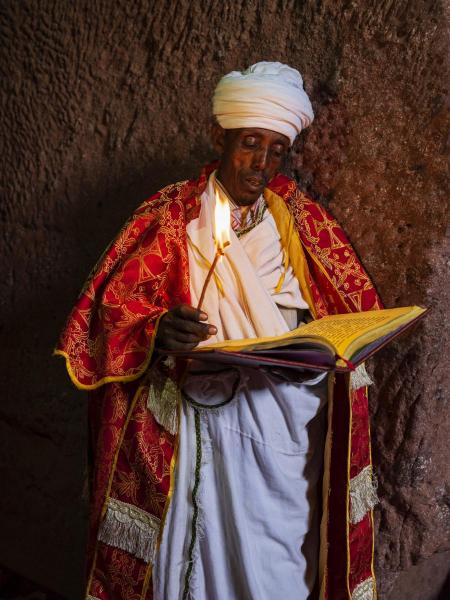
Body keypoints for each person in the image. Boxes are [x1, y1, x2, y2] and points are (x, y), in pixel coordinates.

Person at [56, 62, 382, 600]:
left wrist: (317, 342)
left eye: (277, 150)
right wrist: (157, 331)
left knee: (277, 571)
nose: (261, 164)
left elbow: (351, 316)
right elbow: (106, 316)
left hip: (282, 430)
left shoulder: (307, 227)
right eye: (250, 144)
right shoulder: (170, 217)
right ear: (220, 136)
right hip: (193, 426)